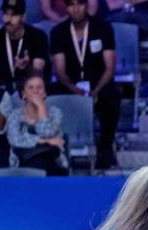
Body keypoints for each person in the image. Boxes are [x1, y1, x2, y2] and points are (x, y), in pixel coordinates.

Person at [50, 0, 120, 169]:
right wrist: (74, 89)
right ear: (66, 7)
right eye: (71, 5)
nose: (76, 9)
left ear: (86, 5)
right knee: (50, 94)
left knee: (112, 96)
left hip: (98, 83)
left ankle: (105, 149)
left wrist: (95, 91)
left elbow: (110, 68)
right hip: (71, 84)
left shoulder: (103, 28)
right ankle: (54, 151)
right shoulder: (58, 32)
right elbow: (60, 70)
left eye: (80, 4)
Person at [0, 0, 51, 94]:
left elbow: (37, 73)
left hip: (30, 89)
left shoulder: (38, 36)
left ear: (23, 17)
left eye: (13, 15)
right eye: (5, 14)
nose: (8, 19)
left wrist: (27, 68)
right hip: (3, 89)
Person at [7, 73, 69, 175]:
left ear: (45, 93)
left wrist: (41, 107)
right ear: (23, 94)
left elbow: (46, 132)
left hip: (52, 161)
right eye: (31, 88)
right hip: (23, 163)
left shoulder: (55, 112)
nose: (35, 91)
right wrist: (46, 141)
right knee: (37, 164)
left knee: (42, 162)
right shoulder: (15, 115)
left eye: (39, 87)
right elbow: (15, 140)